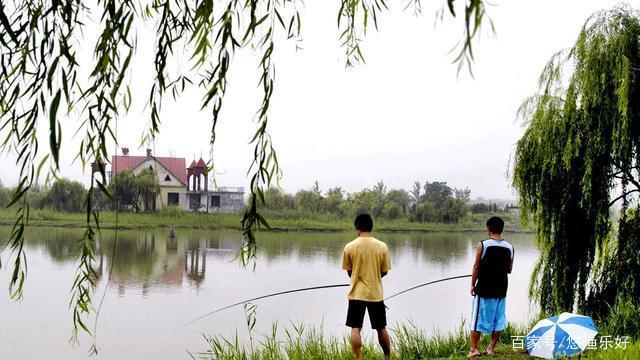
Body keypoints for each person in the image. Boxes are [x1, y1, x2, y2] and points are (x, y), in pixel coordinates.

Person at [342, 214, 392, 360]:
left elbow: (350, 272)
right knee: (381, 328)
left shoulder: (349, 247)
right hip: (376, 294)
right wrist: (373, 278)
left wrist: (358, 277)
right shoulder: (382, 246)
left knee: (355, 327)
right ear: (371, 227)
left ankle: (358, 358)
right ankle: (388, 357)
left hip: (356, 294)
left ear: (357, 228)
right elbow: (384, 271)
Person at [468, 216, 514, 358]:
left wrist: (472, 284)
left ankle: (474, 349)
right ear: (501, 229)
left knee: (477, 319)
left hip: (484, 289)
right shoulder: (510, 247)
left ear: (488, 230)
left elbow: (476, 266)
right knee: (498, 320)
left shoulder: (483, 244)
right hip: (501, 289)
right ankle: (491, 348)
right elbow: (509, 269)